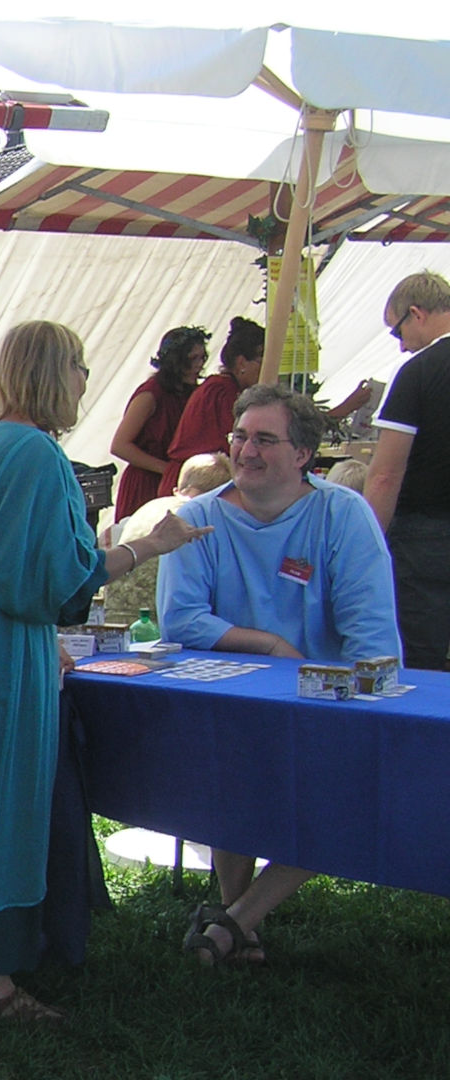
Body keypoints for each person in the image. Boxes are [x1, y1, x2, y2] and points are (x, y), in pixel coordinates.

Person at [0, 321, 210, 1023]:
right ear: (58, 373)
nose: (86, 382)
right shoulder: (38, 456)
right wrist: (149, 546)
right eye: (81, 367)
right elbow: (58, 585)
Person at [158, 384, 401, 963]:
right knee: (228, 783)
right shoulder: (197, 518)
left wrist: (364, 701)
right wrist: (269, 643)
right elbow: (182, 618)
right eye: (240, 436)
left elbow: (371, 631)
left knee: (348, 798)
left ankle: (237, 920)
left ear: (302, 456)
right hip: (230, 704)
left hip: (326, 701)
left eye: (265, 439)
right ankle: (240, 922)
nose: (246, 450)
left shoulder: (342, 515)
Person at [367, 270, 450, 670]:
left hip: (427, 538)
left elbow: (385, 475)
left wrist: (365, 543)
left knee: (423, 660)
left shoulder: (418, 372)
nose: (400, 347)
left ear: (415, 313)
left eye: (396, 332)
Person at [106, 452, 233, 625]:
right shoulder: (199, 519)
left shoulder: (149, 507)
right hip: (157, 625)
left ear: (177, 489)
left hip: (112, 618)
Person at [111, 325, 208, 521]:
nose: (199, 364)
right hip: (146, 482)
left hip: (177, 482)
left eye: (202, 357)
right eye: (192, 359)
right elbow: (120, 446)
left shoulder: (194, 393)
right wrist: (166, 469)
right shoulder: (151, 394)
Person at [161, 317, 263, 495]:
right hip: (193, 484)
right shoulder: (220, 391)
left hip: (204, 482)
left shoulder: (227, 388)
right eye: (260, 361)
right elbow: (232, 443)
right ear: (241, 363)